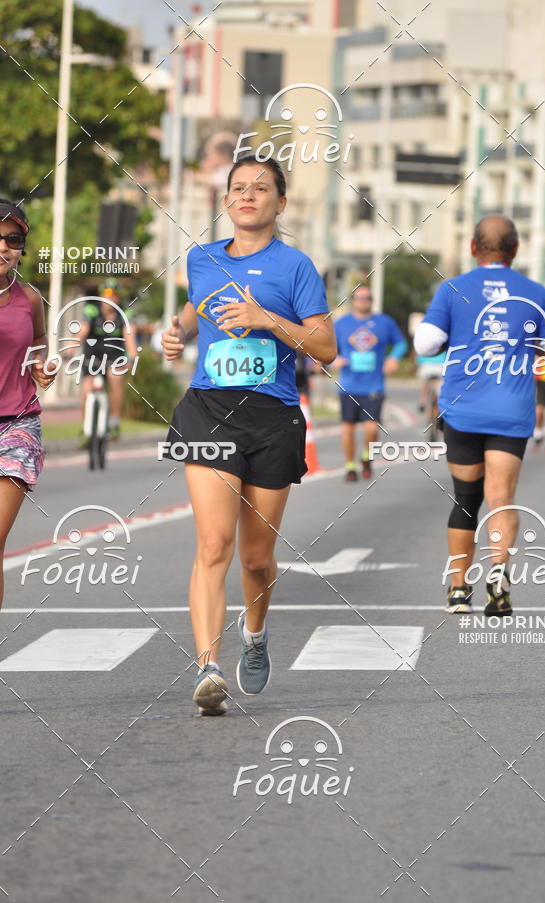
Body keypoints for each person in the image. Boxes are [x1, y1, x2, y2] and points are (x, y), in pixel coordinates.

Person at [161, 155, 335, 714]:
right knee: (213, 543)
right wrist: (178, 333)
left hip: (272, 417)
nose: (247, 195)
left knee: (257, 560)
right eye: (238, 188)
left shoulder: (296, 267)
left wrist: (266, 320)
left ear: (280, 203)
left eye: (261, 188)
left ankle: (254, 634)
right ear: (226, 200)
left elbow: (326, 348)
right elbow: (197, 305)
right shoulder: (202, 259)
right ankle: (208, 667)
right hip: (209, 410)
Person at [414, 215, 545, 616]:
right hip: (510, 410)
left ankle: (457, 590)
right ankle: (498, 577)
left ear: (472, 248)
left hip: (462, 410)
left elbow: (426, 343)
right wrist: (528, 344)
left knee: (466, 500)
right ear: (515, 250)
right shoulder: (534, 292)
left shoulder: (453, 290)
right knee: (501, 498)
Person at [0, 199, 53, 607]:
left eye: (12, 239)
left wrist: (41, 366)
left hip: (16, 426)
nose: (3, 246)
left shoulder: (30, 299)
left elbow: (38, 343)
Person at [333, 285, 407, 481]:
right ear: (353, 301)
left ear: (372, 301)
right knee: (347, 428)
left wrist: (394, 359)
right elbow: (328, 347)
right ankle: (350, 466)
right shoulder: (341, 324)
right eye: (359, 298)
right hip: (348, 384)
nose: (363, 301)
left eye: (367, 298)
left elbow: (401, 343)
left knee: (371, 428)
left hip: (374, 385)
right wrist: (334, 360)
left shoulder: (384, 322)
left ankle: (366, 457)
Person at [77, 281, 138, 438]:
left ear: (117, 298)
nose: (109, 299)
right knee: (87, 388)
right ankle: (86, 427)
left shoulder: (125, 313)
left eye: (113, 296)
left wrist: (132, 357)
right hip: (92, 355)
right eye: (106, 295)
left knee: (115, 378)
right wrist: (70, 350)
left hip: (114, 356)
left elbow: (130, 337)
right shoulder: (91, 310)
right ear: (100, 296)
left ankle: (114, 421)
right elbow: (82, 331)